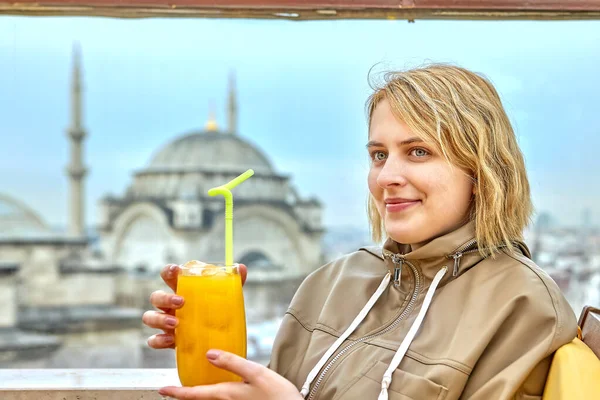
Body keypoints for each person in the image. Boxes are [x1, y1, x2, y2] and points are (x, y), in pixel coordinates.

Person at [143, 64, 577, 400]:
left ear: (481, 170)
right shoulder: (335, 282)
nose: (387, 176)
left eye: (419, 152)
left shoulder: (521, 304)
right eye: (378, 154)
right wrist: (214, 350)